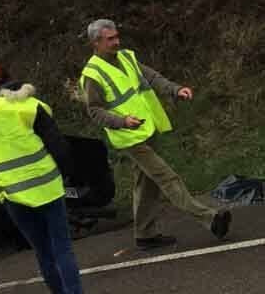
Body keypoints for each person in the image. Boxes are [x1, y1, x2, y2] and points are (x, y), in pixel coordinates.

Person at [0, 63, 113, 294]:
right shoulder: (29, 105)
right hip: (44, 185)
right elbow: (58, 147)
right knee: (62, 250)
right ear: (9, 82)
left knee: (42, 252)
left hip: (10, 194)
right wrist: (66, 174)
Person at [80, 19, 231, 249]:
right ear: (95, 43)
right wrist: (122, 121)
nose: (116, 42)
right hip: (129, 137)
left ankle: (144, 235)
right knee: (166, 177)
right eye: (110, 39)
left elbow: (151, 76)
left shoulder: (126, 56)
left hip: (147, 128)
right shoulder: (92, 74)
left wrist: (175, 90)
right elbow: (94, 110)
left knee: (146, 183)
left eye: (117, 36)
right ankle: (210, 219)